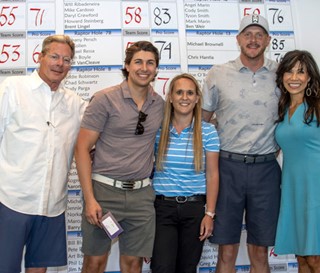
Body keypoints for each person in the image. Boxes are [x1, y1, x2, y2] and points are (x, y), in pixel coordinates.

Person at [74, 41, 164, 273]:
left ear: (156, 69)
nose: (144, 68)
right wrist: (90, 199)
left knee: (133, 264)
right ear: (127, 66)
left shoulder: (160, 105)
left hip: (142, 197)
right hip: (104, 193)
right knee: (95, 262)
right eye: (138, 62)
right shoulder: (104, 99)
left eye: (150, 63)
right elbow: (82, 148)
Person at [202, 14, 281, 273]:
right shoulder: (218, 74)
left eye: (259, 34)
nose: (253, 40)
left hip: (266, 169)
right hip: (228, 168)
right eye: (248, 34)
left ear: (268, 40)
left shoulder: (282, 74)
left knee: (260, 252)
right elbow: (202, 121)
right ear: (238, 39)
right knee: (227, 249)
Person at [0, 35, 86, 273]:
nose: (60, 63)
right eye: (55, 56)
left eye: (66, 59)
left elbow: (98, 137)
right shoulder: (12, 89)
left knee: (39, 270)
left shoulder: (76, 104)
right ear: (40, 57)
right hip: (11, 201)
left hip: (52, 206)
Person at [150, 73, 220, 273]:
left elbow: (213, 175)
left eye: (190, 93)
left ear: (197, 98)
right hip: (162, 209)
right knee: (162, 267)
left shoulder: (208, 132)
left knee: (187, 268)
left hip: (195, 210)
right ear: (170, 97)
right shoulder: (158, 130)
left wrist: (210, 214)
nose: (184, 97)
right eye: (179, 92)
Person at [274, 50, 320, 273]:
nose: (294, 77)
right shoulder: (282, 109)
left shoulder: (318, 106)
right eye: (289, 71)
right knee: (301, 257)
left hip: (316, 189)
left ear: (310, 77)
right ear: (282, 76)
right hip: (293, 189)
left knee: (315, 258)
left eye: (301, 72)